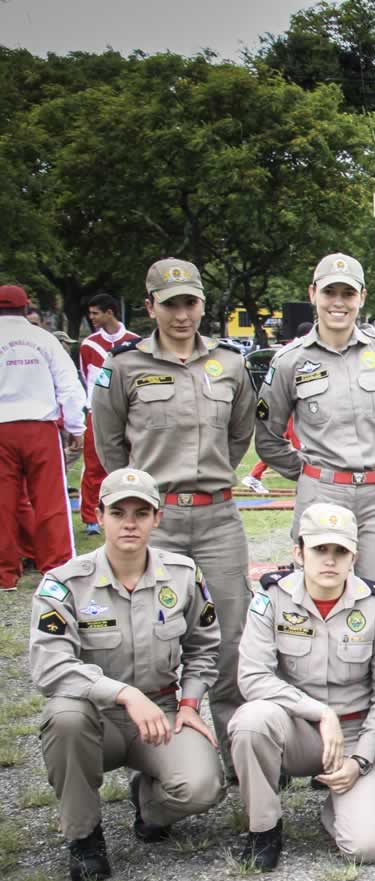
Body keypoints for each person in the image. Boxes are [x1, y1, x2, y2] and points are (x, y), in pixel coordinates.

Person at [90, 259, 255, 776]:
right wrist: (141, 500)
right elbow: (109, 444)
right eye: (170, 304)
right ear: (150, 307)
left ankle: (238, 753)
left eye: (190, 303)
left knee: (232, 635)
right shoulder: (124, 367)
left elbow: (240, 434)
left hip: (217, 517)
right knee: (149, 638)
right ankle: (156, 758)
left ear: (202, 305)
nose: (182, 314)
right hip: (154, 520)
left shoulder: (230, 363)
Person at [30, 468, 224, 881]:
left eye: (141, 513)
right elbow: (50, 665)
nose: (130, 523)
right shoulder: (64, 583)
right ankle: (84, 837)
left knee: (203, 787)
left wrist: (190, 703)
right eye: (118, 513)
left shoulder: (183, 575)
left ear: (158, 519)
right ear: (99, 516)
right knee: (64, 719)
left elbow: (204, 646)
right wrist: (123, 694)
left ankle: (148, 805)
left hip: (161, 710)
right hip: (93, 715)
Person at [231, 504, 375, 870]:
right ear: (298, 552)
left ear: (354, 556)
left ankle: (348, 804)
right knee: (251, 721)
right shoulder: (271, 598)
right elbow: (252, 676)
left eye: (340, 551)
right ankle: (264, 829)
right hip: (298, 729)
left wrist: (361, 759)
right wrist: (320, 712)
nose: (330, 560)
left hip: (355, 735)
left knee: (368, 848)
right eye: (319, 549)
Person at [254, 254, 375, 595]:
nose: (338, 303)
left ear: (362, 297)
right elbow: (267, 436)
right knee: (317, 599)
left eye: (348, 293)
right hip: (322, 492)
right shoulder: (290, 361)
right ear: (313, 294)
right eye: (329, 292)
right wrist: (309, 473)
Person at [0, 283, 85, 590]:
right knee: (51, 499)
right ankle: (57, 567)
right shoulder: (43, 339)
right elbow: (69, 384)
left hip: (2, 427)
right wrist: (76, 426)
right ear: (26, 309)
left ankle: (5, 575)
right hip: (40, 427)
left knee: (3, 503)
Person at [78, 294, 135, 535]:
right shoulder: (88, 344)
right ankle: (91, 517)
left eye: (95, 313)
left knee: (132, 462)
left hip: (129, 412)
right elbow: (85, 377)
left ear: (109, 312)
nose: (91, 317)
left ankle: (132, 510)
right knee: (94, 464)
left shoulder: (135, 341)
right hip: (97, 413)